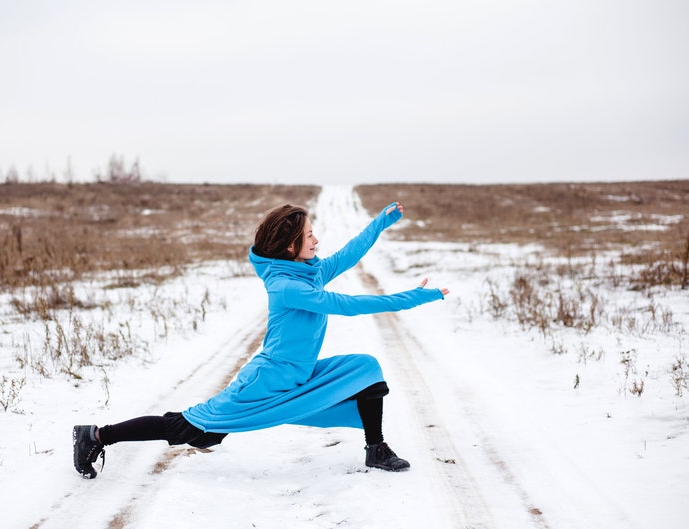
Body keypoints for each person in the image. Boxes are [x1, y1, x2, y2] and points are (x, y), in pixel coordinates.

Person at [73, 200, 449, 478]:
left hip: (299, 376)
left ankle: (376, 448)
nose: (316, 240)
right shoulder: (287, 285)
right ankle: (97, 435)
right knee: (191, 430)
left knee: (366, 369)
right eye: (309, 236)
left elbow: (348, 255)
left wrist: (380, 223)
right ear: (289, 247)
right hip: (266, 383)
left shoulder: (308, 272)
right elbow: (348, 305)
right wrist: (414, 297)